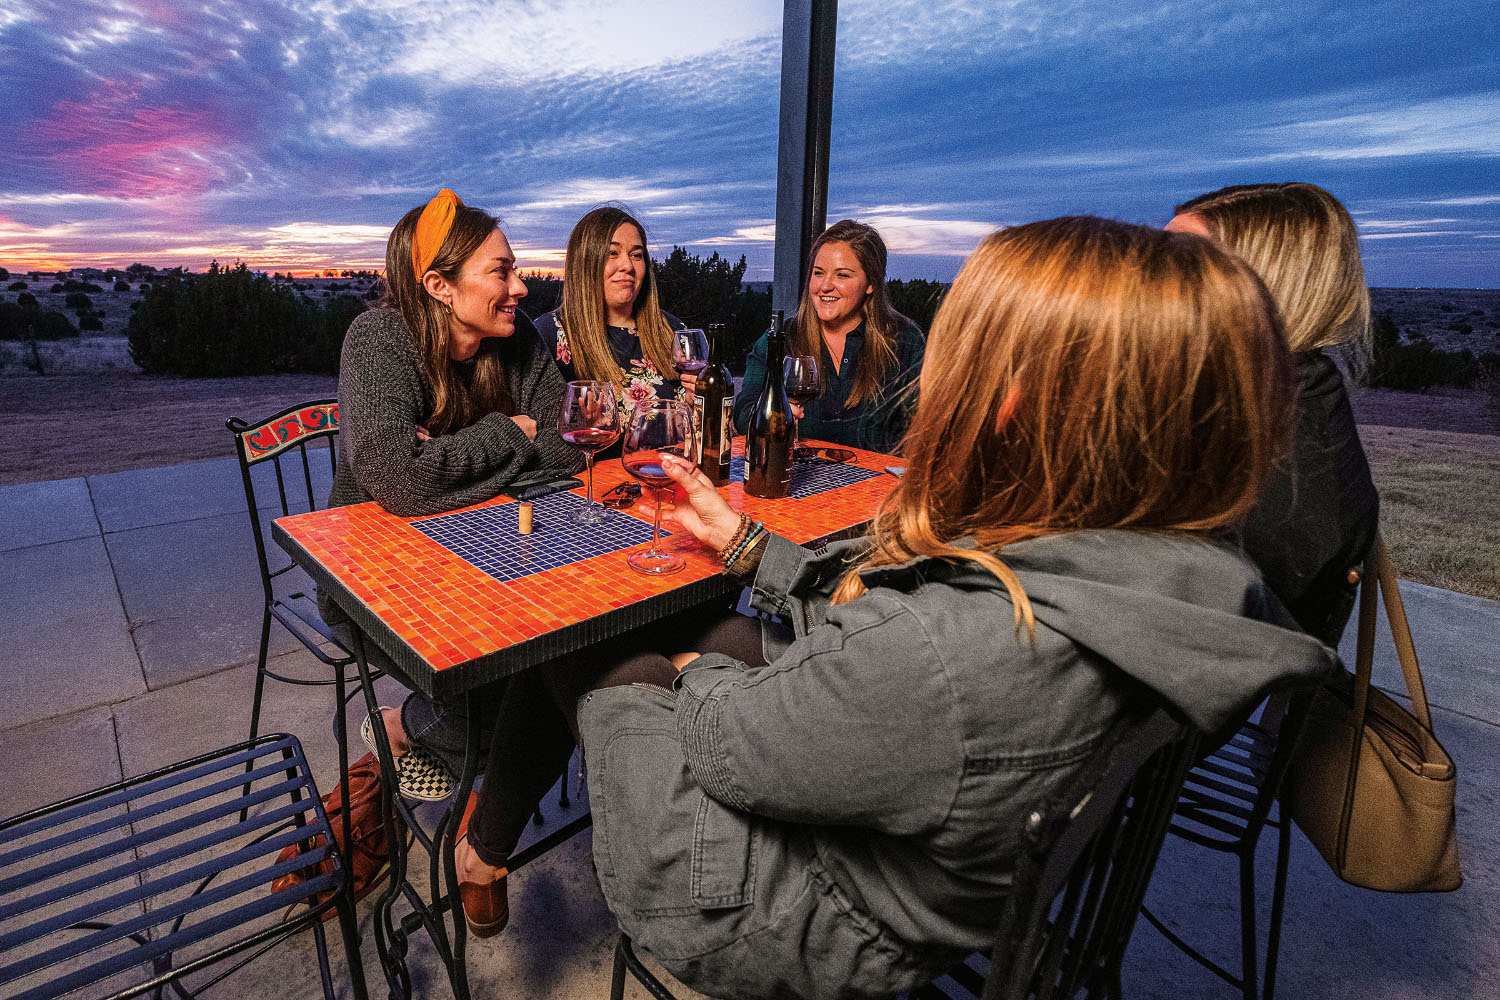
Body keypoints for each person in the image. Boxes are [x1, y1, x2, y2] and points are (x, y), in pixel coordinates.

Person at [473, 216, 1337, 996]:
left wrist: (690, 676)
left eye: (967, 361)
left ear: (1017, 403)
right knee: (701, 620)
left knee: (582, 636)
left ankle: (483, 847)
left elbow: (736, 748)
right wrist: (742, 547)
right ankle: (492, 840)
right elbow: (888, 628)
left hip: (783, 913)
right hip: (937, 839)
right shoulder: (1169, 577)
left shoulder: (955, 648)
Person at [317, 188, 583, 933]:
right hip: (374, 584)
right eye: (500, 271)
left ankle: (418, 751)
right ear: (440, 285)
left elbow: (565, 452)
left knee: (564, 662)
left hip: (494, 559)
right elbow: (396, 482)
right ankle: (417, 741)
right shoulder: (378, 341)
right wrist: (510, 431)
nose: (521, 286)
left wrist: (453, 460)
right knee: (497, 708)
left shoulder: (520, 339)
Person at [1166, 182, 1380, 646]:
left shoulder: (1283, 464)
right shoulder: (1263, 402)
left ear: (1263, 284)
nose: (1143, 281)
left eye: (1177, 264)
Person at [733, 220, 925, 454]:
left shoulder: (904, 340)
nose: (825, 286)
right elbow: (743, 415)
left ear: (871, 283)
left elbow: (922, 433)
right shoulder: (781, 339)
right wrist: (770, 413)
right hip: (799, 480)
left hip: (880, 485)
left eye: (842, 275)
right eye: (818, 273)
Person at [533, 206, 688, 418]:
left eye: (636, 255)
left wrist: (700, 403)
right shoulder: (549, 335)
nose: (627, 266)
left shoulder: (674, 330)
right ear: (585, 261)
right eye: (612, 253)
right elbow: (541, 431)